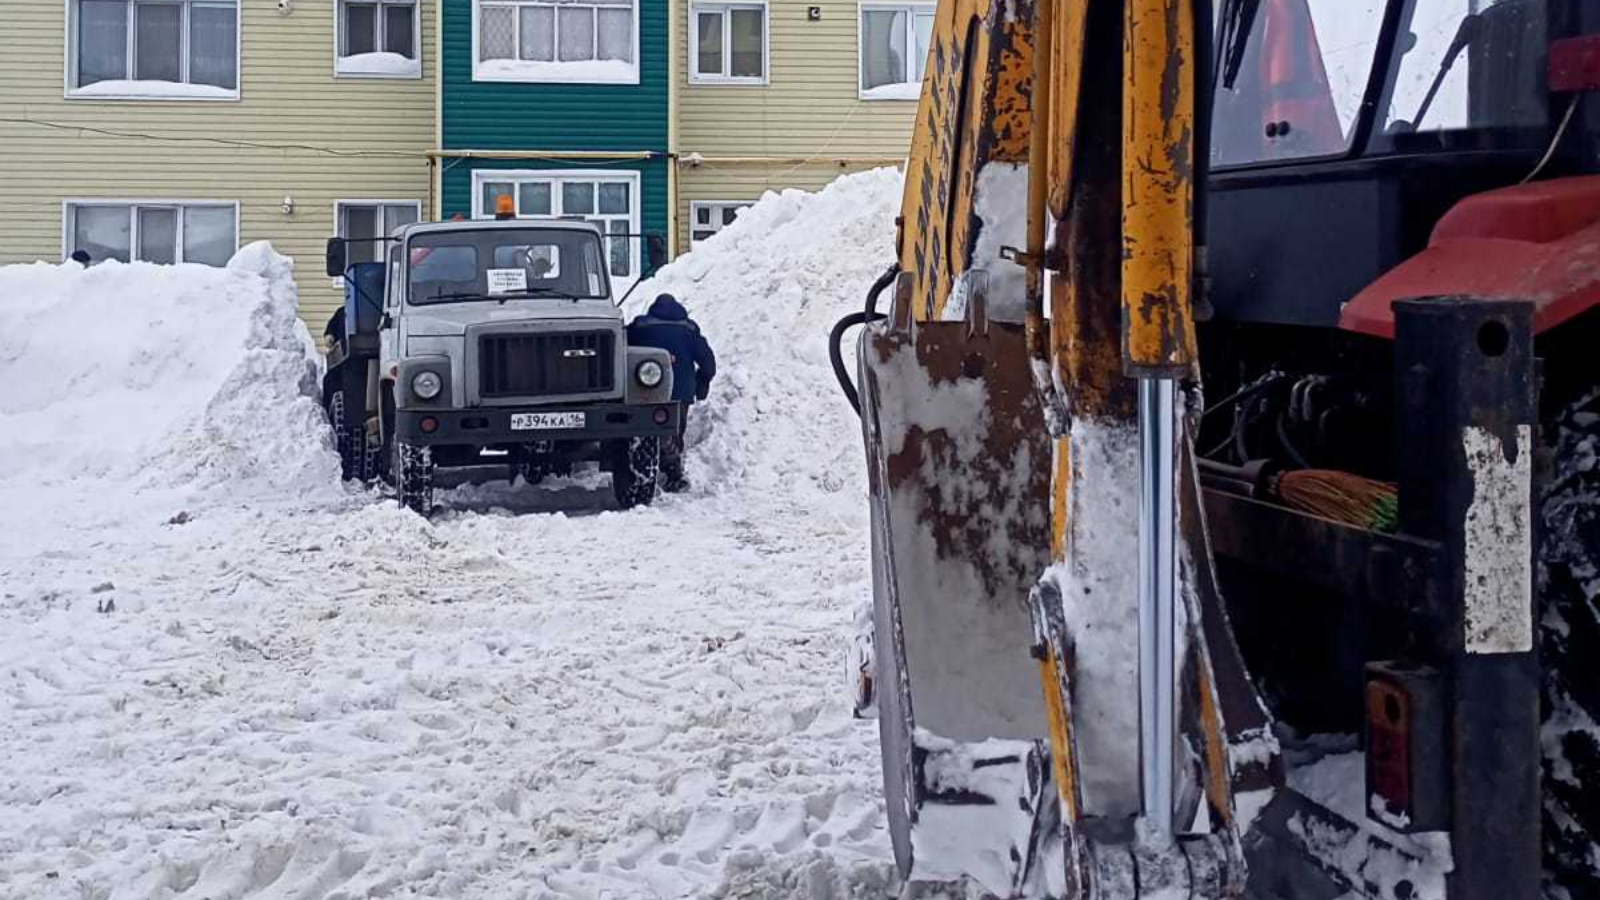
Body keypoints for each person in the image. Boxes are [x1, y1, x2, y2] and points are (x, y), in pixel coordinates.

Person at [626, 293, 716, 492]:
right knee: (674, 430)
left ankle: (651, 465)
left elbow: (620, 348)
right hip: (681, 390)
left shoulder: (640, 327)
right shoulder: (689, 329)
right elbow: (708, 363)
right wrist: (702, 384)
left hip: (645, 386)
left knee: (646, 429)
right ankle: (674, 473)